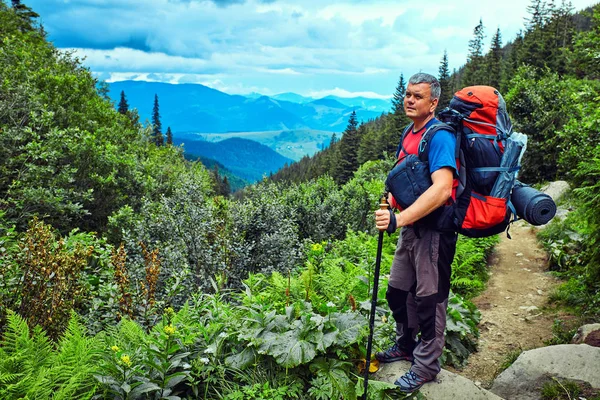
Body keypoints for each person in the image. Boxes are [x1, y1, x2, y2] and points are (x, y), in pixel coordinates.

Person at [374, 72, 458, 393]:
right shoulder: (411, 132)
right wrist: (390, 205)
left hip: (435, 233)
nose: (409, 100)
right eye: (408, 94)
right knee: (398, 291)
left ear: (433, 102)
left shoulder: (439, 137)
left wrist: (399, 219)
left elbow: (442, 189)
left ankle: (425, 367)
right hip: (411, 228)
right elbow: (405, 178)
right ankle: (406, 345)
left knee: (429, 300)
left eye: (417, 96)